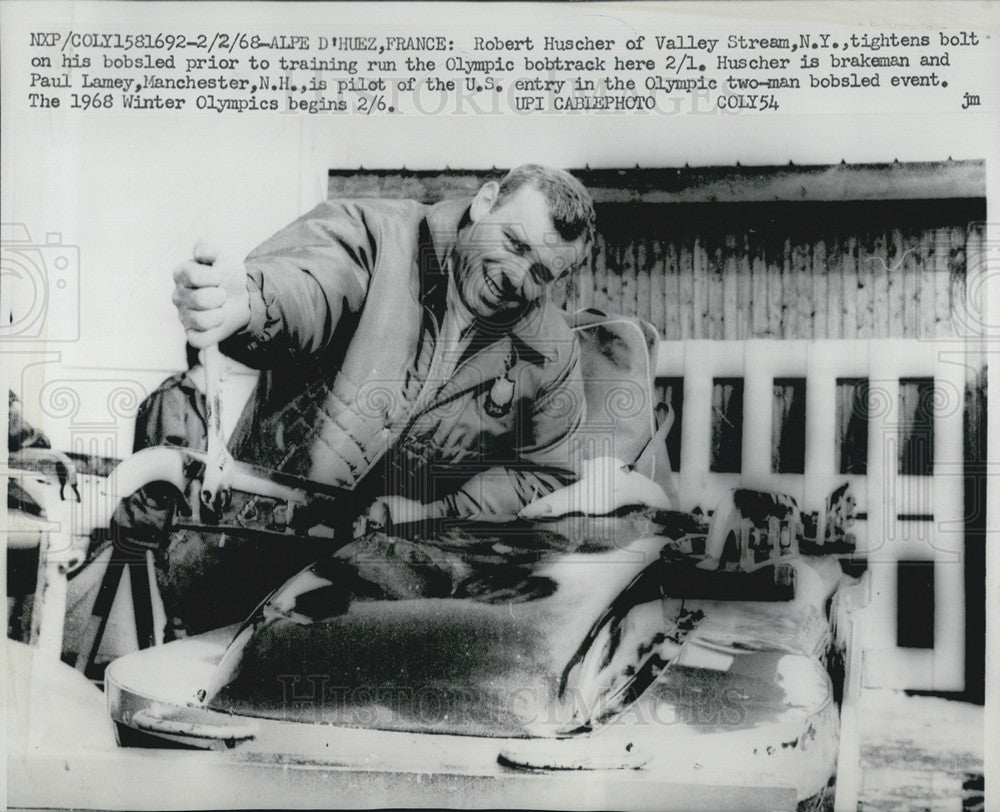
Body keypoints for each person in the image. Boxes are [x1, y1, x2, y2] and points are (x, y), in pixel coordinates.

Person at [147, 164, 596, 629]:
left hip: (384, 606)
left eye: (541, 273)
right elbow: (312, 284)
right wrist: (251, 304)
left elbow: (544, 475)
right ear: (484, 202)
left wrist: (431, 513)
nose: (517, 277)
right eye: (514, 244)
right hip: (247, 565)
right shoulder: (379, 239)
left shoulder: (550, 353)